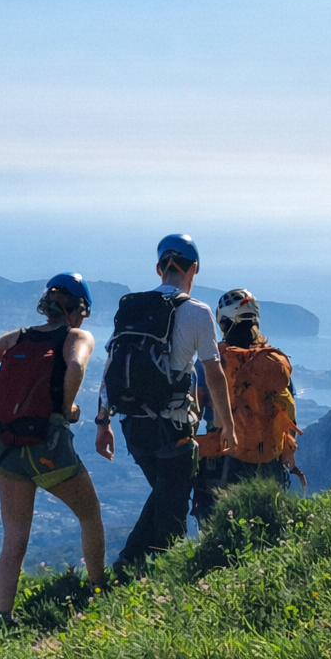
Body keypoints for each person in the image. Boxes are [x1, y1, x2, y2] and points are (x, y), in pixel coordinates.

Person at [0, 274, 105, 622]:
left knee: (14, 536)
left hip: (8, 446)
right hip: (48, 446)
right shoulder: (77, 336)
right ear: (77, 310)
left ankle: (4, 617)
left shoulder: (16, 338)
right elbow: (76, 365)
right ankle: (99, 588)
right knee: (90, 516)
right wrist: (65, 408)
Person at [96, 234, 236, 575]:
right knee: (172, 506)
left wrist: (103, 423)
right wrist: (228, 425)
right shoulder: (198, 313)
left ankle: (132, 565)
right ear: (195, 270)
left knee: (164, 494)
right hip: (173, 427)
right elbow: (214, 375)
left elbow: (111, 366)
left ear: (159, 269)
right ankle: (154, 575)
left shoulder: (132, 308)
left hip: (132, 426)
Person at [192, 288, 302, 522]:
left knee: (221, 529)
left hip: (222, 461)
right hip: (270, 462)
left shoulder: (212, 363)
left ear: (222, 323)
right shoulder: (274, 363)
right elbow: (289, 415)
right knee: (267, 528)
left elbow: (193, 414)